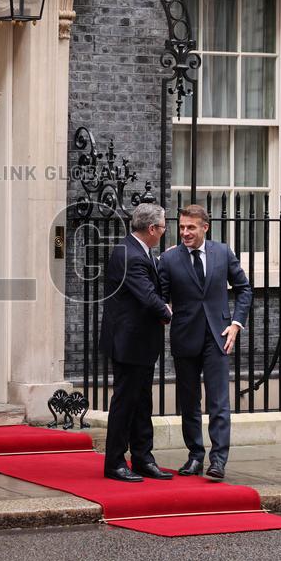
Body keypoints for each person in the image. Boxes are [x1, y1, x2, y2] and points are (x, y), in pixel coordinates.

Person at [159, 204, 253, 479]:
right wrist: (165, 312)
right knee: (188, 402)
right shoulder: (169, 259)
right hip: (185, 336)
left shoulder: (223, 252)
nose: (185, 232)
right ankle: (195, 457)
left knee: (219, 402)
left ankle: (218, 461)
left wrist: (236, 324)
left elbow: (244, 289)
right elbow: (161, 297)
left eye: (191, 227)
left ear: (205, 228)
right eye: (182, 227)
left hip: (218, 336)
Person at [99, 203, 173, 482]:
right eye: (163, 227)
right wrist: (166, 312)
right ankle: (115, 462)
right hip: (129, 342)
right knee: (125, 402)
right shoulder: (130, 253)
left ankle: (143, 458)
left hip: (139, 342)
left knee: (142, 401)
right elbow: (146, 294)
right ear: (152, 229)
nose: (164, 232)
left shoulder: (140, 251)